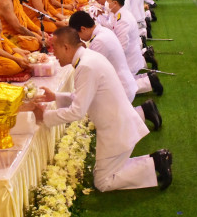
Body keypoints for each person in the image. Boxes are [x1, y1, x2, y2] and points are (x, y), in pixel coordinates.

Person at [33, 27, 172, 191]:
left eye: (54, 48)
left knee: (103, 182)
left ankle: (155, 163)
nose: (52, 53)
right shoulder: (88, 58)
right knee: (104, 175)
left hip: (116, 129)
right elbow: (85, 97)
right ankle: (156, 160)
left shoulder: (85, 65)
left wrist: (45, 116)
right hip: (118, 124)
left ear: (66, 47)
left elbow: (77, 111)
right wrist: (55, 97)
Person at [69, 11, 162, 129]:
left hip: (120, 87)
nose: (80, 39)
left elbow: (90, 68)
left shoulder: (98, 41)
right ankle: (145, 107)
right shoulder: (102, 32)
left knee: (107, 124)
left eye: (78, 35)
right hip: (123, 81)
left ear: (83, 28)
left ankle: (144, 111)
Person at [105, 0, 162, 94]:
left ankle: (149, 81)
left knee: (119, 88)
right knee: (116, 83)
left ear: (115, 3)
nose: (106, 4)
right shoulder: (118, 14)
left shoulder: (123, 20)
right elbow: (111, 26)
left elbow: (122, 48)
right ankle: (148, 76)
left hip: (128, 58)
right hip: (130, 55)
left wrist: (107, 56)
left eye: (108, 1)